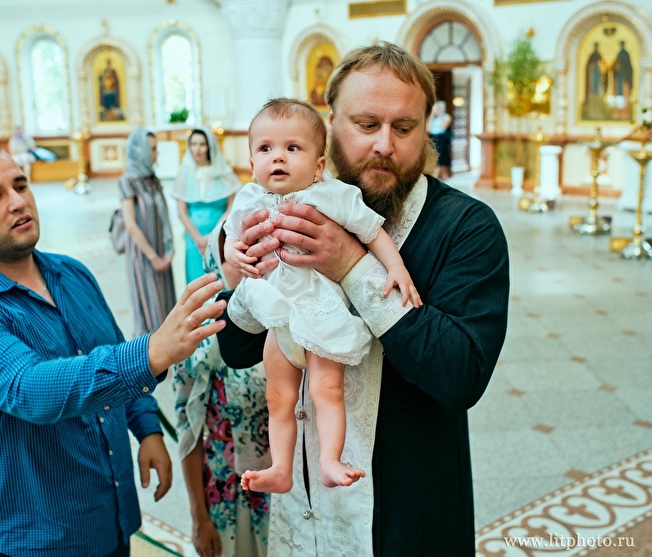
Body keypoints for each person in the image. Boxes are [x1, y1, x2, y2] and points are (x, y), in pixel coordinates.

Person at [216, 42, 510, 556]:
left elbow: (460, 375)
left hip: (410, 516)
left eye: (404, 127)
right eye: (366, 124)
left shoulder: (468, 227)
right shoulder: (274, 207)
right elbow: (237, 350)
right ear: (330, 125)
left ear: (426, 127)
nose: (384, 145)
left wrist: (352, 267)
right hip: (305, 509)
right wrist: (240, 278)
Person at [0, 142, 228, 557]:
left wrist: (147, 428)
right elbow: (31, 390)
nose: (18, 202)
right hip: (28, 538)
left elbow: (111, 347)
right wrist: (153, 351)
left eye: (20, 186)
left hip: (108, 518)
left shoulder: (71, 273)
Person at [223, 98, 421, 495]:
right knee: (277, 396)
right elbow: (232, 235)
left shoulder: (331, 195)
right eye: (266, 149)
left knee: (327, 390)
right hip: (278, 319)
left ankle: (330, 460)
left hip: (320, 314)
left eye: (292, 148)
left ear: (318, 165)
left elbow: (372, 232)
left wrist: (396, 267)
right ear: (251, 163)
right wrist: (233, 252)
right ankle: (281, 469)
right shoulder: (249, 198)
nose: (278, 157)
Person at [173, 219, 270, 557]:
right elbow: (188, 430)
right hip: (226, 494)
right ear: (215, 263)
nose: (247, 267)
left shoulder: (289, 322)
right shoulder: (198, 338)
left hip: (284, 495)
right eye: (235, 257)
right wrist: (199, 517)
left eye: (256, 255)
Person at [119, 126, 177, 337]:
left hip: (161, 251)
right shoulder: (127, 181)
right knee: (150, 309)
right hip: (143, 255)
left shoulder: (153, 179)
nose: (156, 153)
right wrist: (153, 258)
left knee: (166, 305)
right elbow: (130, 225)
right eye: (152, 149)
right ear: (140, 151)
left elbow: (164, 216)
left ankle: (170, 350)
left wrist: (169, 250)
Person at [172, 128, 240, 283]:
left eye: (202, 144)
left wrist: (212, 237)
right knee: (196, 280)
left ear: (209, 146)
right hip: (194, 239)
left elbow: (231, 206)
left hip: (220, 235)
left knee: (220, 281)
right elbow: (182, 213)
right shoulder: (184, 173)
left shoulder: (223, 171)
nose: (197, 148)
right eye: (194, 144)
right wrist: (199, 240)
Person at [428, 100, 453, 180]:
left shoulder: (446, 116)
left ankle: (438, 174)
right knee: (435, 155)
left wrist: (440, 114)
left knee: (441, 156)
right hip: (433, 138)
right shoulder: (431, 118)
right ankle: (442, 174)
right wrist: (432, 116)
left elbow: (445, 126)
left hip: (442, 138)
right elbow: (428, 129)